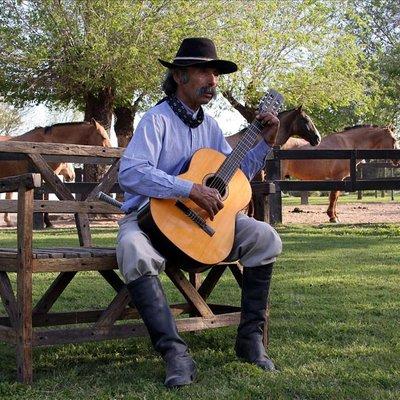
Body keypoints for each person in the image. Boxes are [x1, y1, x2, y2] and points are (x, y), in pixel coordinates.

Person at [117, 37, 282, 388]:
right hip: (151, 223)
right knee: (132, 249)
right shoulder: (156, 120)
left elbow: (232, 178)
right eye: (204, 71)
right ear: (179, 76)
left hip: (203, 229)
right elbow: (129, 173)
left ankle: (250, 340)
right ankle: (174, 352)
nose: (212, 80)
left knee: (265, 238)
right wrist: (188, 188)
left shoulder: (211, 127)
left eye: (216, 74)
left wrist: (265, 143)